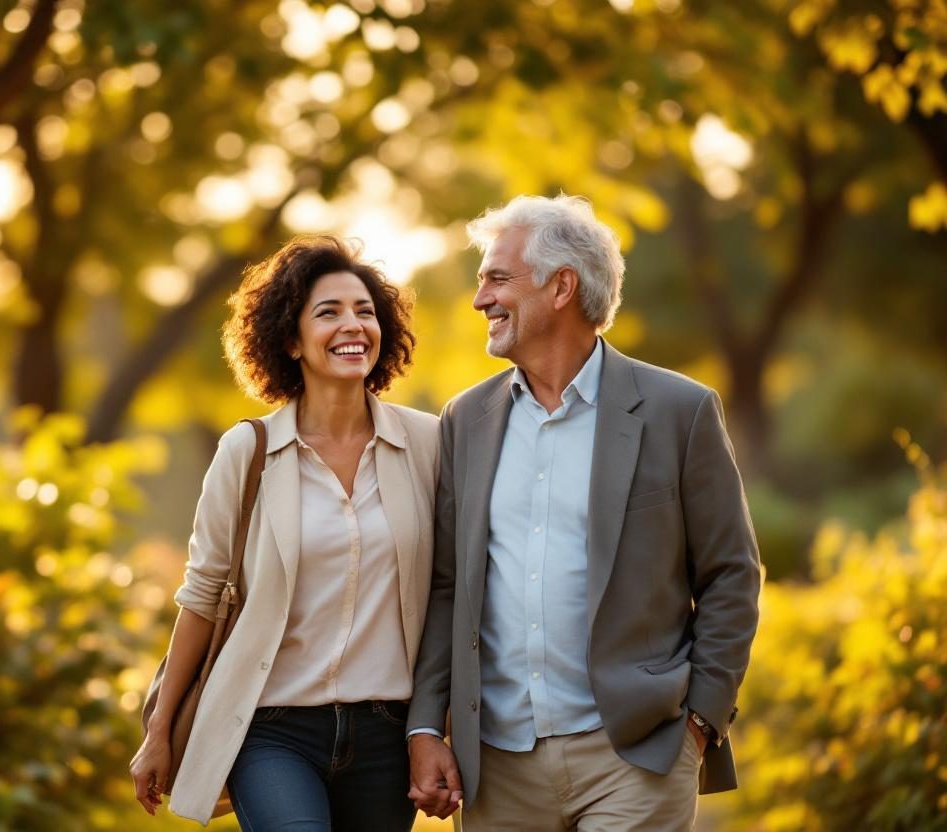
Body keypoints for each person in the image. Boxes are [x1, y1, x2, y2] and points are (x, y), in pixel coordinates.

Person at [406, 195, 762, 830]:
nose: (479, 299)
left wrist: (701, 721)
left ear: (561, 286)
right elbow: (447, 587)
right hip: (498, 768)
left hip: (634, 755)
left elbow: (732, 573)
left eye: (496, 278)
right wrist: (428, 727)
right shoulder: (465, 419)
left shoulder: (679, 411)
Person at [128, 236, 439, 830]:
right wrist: (159, 730)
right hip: (272, 731)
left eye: (365, 311)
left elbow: (451, 589)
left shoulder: (427, 445)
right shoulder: (249, 452)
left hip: (386, 736)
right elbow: (201, 598)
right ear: (291, 341)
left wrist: (435, 725)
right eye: (329, 312)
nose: (353, 325)